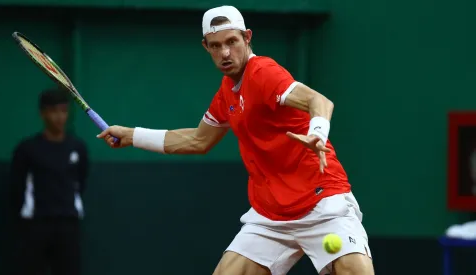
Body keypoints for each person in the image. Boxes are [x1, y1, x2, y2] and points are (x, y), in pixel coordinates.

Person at [97, 5, 374, 275]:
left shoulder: (264, 73)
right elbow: (197, 140)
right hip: (271, 214)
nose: (225, 53)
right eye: (215, 46)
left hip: (321, 201)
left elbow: (319, 101)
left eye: (231, 41)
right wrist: (132, 136)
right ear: (206, 47)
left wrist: (317, 133)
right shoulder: (227, 92)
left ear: (247, 38)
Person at [10, 88, 88, 275]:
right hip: (36, 225)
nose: (59, 117)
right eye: (53, 111)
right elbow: (16, 187)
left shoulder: (78, 147)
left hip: (68, 224)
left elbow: (82, 181)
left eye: (63, 111)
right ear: (43, 113)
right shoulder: (27, 149)